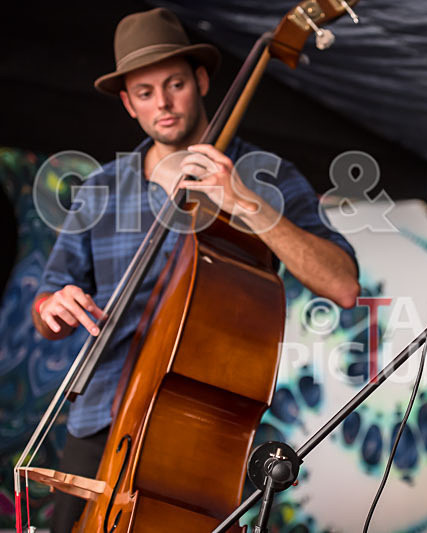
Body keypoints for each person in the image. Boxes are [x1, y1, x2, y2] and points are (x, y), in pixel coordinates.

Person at [30, 8, 360, 532]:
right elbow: (46, 309)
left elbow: (342, 283)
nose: (162, 103)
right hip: (100, 421)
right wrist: (54, 307)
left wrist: (247, 203)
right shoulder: (100, 189)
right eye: (144, 93)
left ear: (202, 80)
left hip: (203, 431)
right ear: (128, 104)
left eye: (175, 84)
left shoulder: (264, 176)